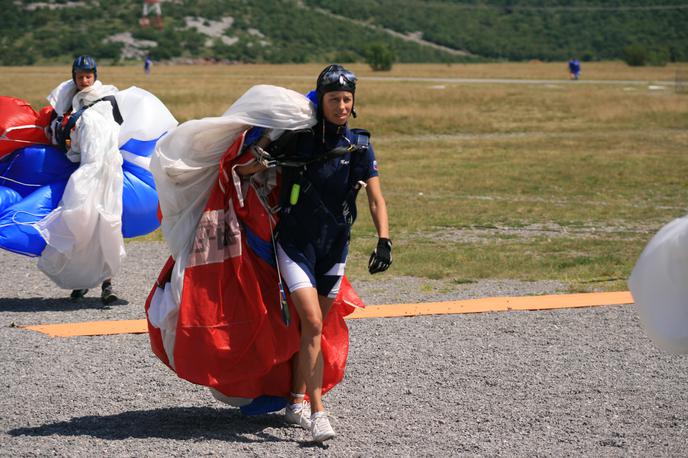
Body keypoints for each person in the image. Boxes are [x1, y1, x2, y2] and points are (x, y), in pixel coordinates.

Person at [237, 64, 392, 442]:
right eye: (333, 99)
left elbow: (375, 198)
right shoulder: (297, 140)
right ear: (319, 101)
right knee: (313, 322)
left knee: (311, 330)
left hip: (334, 249)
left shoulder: (359, 145)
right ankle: (318, 412)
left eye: (346, 99)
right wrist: (266, 149)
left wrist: (384, 239)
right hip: (294, 246)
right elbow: (244, 172)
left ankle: (294, 400)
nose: (341, 105)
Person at [46, 55, 121, 305]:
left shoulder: (106, 100)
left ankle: (107, 285)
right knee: (81, 227)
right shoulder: (69, 103)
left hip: (108, 172)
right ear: (74, 77)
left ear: (95, 76)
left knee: (106, 224)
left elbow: (117, 131)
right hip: (82, 170)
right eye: (80, 77)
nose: (85, 80)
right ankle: (82, 281)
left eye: (89, 76)